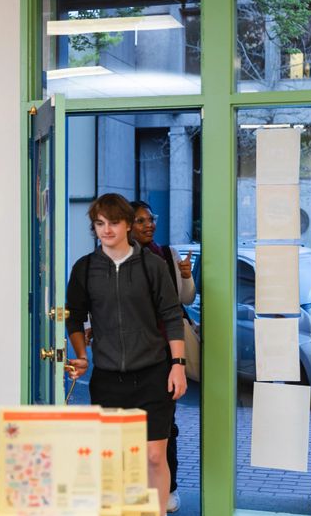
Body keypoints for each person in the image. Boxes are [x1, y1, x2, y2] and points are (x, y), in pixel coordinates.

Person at [66, 193, 187, 514]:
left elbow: (172, 316)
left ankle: (158, 511)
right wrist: (80, 355)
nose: (106, 230)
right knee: (115, 459)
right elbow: (74, 317)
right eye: (100, 223)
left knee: (153, 456)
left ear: (127, 226)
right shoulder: (85, 268)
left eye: (114, 223)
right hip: (108, 378)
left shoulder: (152, 265)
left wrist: (177, 364)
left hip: (153, 374)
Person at [130, 200, 195, 514]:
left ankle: (168, 489)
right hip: (129, 355)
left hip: (164, 352)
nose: (149, 225)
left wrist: (185, 276)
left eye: (150, 219)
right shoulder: (118, 260)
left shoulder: (165, 253)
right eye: (141, 221)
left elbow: (185, 299)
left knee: (165, 426)